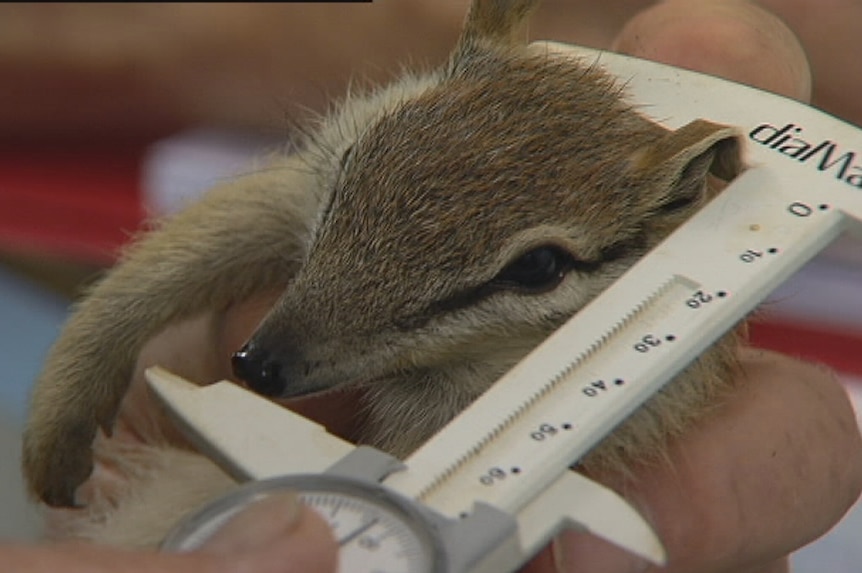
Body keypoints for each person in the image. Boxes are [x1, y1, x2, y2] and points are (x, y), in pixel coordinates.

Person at [2, 1, 861, 572]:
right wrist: (94, 360)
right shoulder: (367, 151)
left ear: (673, 208)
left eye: (532, 269)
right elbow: (228, 233)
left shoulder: (643, 321)